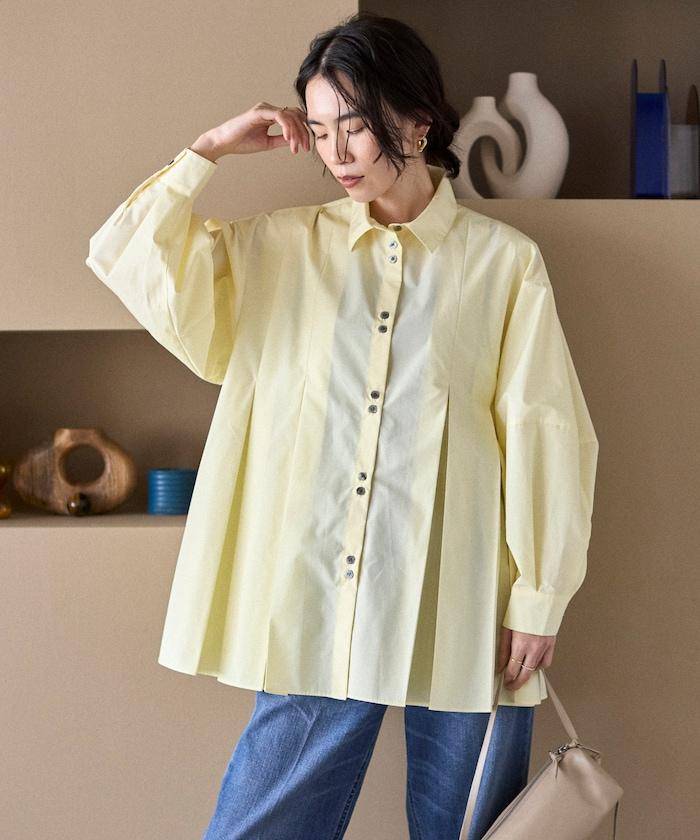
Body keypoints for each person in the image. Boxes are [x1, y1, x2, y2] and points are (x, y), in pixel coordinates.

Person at [85, 11, 599, 840]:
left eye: (354, 127)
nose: (336, 153)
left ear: (418, 123)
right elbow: (131, 255)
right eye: (320, 131)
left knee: (470, 832)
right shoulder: (279, 250)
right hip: (319, 599)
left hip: (466, 602)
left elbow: (547, 431)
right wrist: (209, 150)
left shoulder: (503, 264)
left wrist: (540, 594)